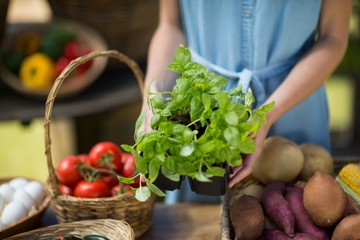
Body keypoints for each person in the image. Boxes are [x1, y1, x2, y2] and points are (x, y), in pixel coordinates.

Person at [140, 0, 353, 203]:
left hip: (294, 99)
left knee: (300, 206)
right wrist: (153, 98)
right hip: (200, 103)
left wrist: (266, 115)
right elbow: (170, 25)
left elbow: (333, 37)